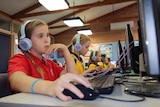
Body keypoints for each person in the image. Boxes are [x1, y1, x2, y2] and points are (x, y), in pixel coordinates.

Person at [7, 19, 91, 101]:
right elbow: (15, 80)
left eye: (47, 35)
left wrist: (65, 51)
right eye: (40, 36)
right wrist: (48, 86)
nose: (47, 40)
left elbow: (73, 77)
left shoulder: (49, 63)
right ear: (27, 42)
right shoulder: (20, 59)